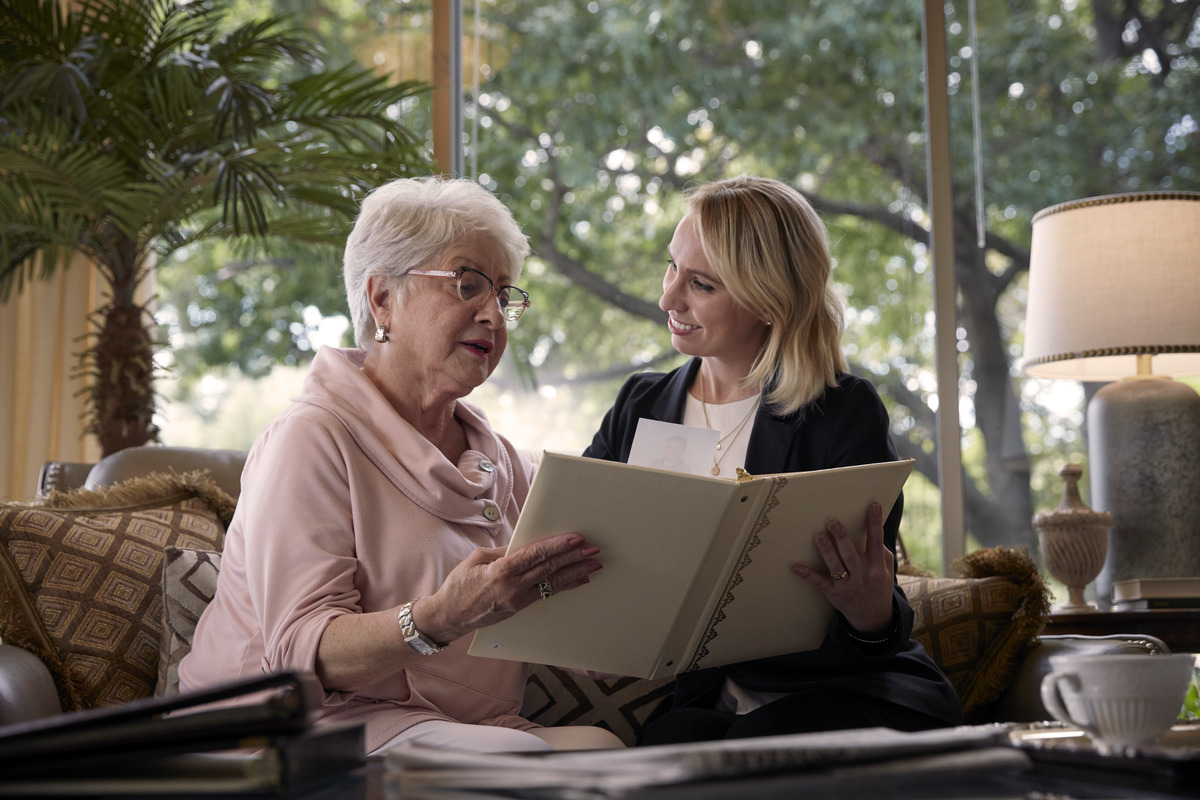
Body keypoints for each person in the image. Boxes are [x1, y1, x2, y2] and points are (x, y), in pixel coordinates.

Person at [179, 177, 624, 755]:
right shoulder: (311, 438)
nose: (493, 314)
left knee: (602, 750)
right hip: (284, 732)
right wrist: (442, 617)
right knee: (553, 766)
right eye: (467, 285)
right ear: (382, 298)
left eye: (504, 294)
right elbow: (300, 653)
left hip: (456, 729)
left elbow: (574, 616)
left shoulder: (504, 461)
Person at [584, 175, 963, 744]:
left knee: (744, 755)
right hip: (714, 706)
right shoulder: (640, 405)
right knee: (671, 749)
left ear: (766, 299)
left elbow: (877, 621)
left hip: (850, 692)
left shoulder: (840, 411)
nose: (668, 298)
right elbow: (587, 549)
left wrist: (870, 613)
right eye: (671, 268)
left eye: (701, 284)